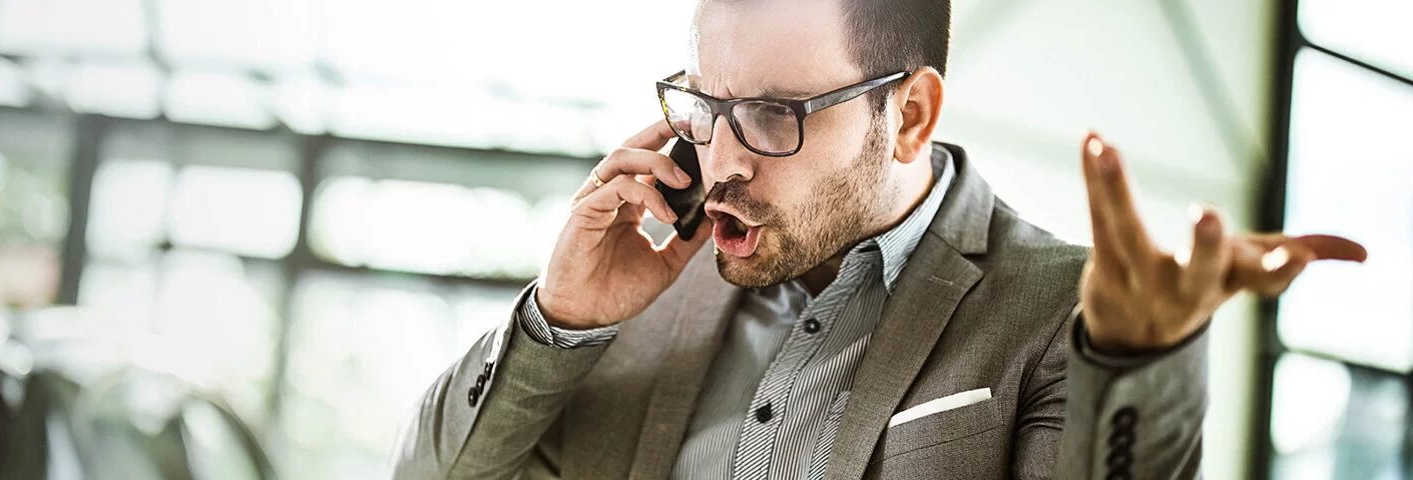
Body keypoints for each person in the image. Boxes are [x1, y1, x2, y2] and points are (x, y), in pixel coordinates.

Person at [391, 0, 1367, 478]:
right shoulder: (638, 287)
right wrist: (560, 321)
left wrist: (1132, 364)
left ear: (907, 117)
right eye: (704, 104)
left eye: (774, 113)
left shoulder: (1053, 314)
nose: (721, 159)